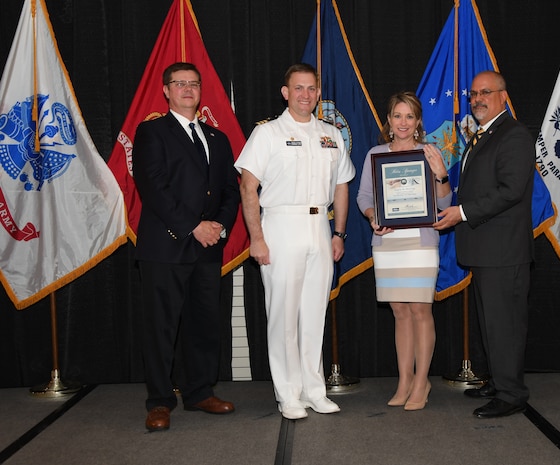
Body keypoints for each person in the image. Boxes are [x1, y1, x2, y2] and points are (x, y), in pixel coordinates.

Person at [234, 63, 355, 420]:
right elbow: (248, 187)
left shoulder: (331, 134)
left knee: (314, 314)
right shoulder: (267, 134)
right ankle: (287, 394)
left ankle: (314, 390)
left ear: (319, 93)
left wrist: (339, 233)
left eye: (311, 88)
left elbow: (342, 185)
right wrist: (257, 238)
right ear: (285, 93)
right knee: (283, 315)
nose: (306, 95)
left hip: (320, 227)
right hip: (280, 226)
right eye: (298, 88)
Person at [132, 62, 240, 431]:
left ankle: (198, 392)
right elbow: (154, 188)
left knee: (204, 324)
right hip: (165, 247)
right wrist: (193, 226)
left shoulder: (217, 138)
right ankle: (160, 401)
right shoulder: (151, 132)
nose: (188, 89)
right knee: (161, 327)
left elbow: (230, 190)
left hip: (207, 248)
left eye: (194, 84)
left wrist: (219, 226)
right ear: (166, 90)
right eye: (180, 84)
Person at [434, 70, 534, 418]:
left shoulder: (514, 134)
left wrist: (461, 213)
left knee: (504, 324)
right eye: (474, 93)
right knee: (492, 322)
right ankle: (498, 379)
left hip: (503, 250)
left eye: (486, 93)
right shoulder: (484, 134)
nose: (477, 99)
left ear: (503, 96)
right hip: (487, 249)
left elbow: (511, 191)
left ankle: (511, 394)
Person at [357, 91, 452, 411]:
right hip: (388, 243)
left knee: (420, 311)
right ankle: (404, 380)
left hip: (421, 243)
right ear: (389, 120)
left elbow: (443, 204)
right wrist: (373, 216)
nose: (403, 122)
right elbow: (365, 198)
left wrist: (440, 173)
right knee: (399, 311)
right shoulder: (376, 154)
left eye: (409, 116)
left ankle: (422, 381)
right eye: (397, 116)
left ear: (418, 122)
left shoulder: (430, 152)